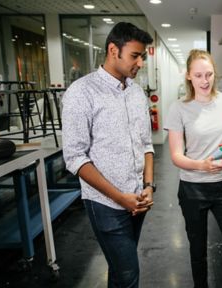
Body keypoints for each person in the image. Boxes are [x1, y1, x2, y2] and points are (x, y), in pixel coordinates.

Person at [62, 22, 155, 288]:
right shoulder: (81, 93)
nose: (140, 63)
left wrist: (148, 187)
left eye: (142, 56)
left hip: (137, 199)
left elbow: (146, 145)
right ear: (113, 50)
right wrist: (120, 198)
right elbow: (75, 158)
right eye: (135, 55)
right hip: (106, 204)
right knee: (128, 274)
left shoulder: (137, 93)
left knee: (119, 270)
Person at [164, 49, 222, 288]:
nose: (205, 80)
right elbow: (176, 156)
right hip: (193, 189)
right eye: (199, 75)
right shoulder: (178, 109)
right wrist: (201, 165)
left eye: (209, 74)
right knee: (198, 250)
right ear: (189, 76)